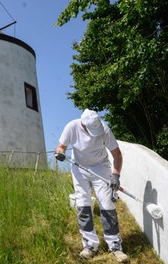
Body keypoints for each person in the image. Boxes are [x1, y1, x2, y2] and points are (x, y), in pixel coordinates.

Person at [54, 109, 128, 263]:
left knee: (107, 204)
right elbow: (61, 146)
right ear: (83, 125)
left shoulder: (104, 130)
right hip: (79, 167)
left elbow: (117, 155)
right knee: (83, 204)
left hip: (100, 167)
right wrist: (60, 153)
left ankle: (115, 245)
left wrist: (115, 175)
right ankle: (90, 245)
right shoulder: (72, 127)